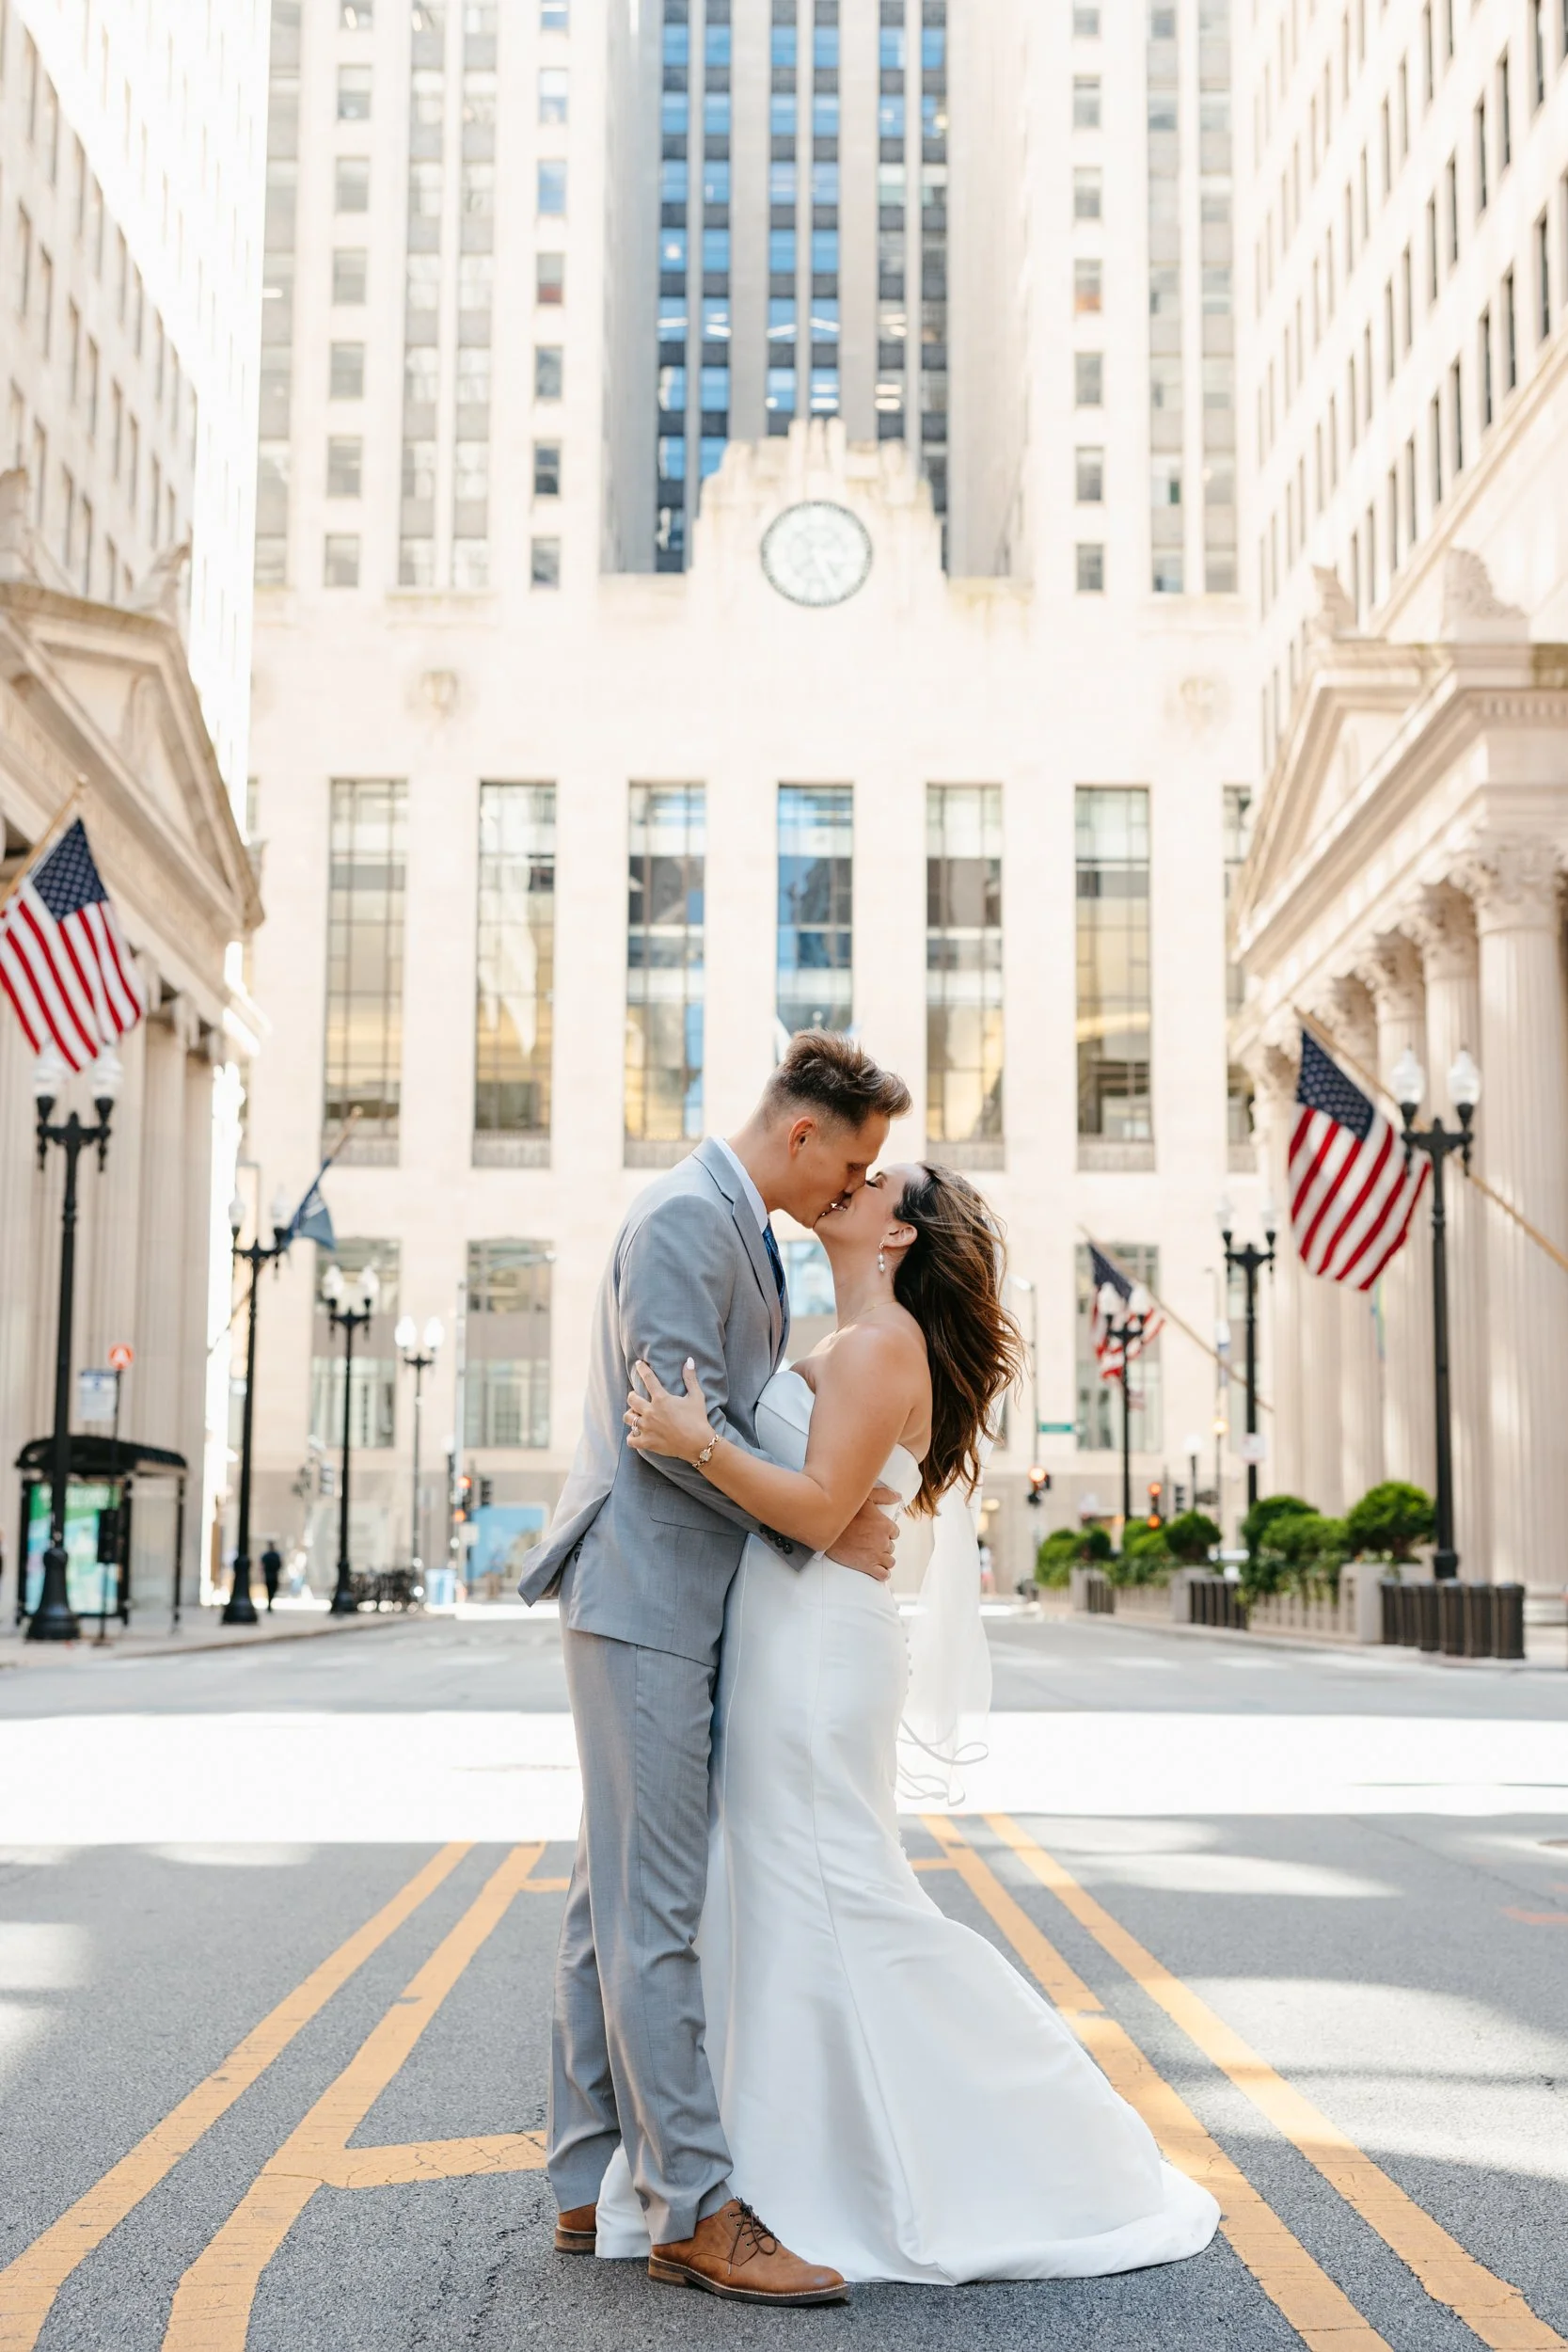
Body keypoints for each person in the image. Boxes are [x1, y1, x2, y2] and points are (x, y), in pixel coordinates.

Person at [612, 1160, 1222, 2285]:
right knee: (781, 1897)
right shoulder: (852, 1339)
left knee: (837, 1890)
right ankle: (773, 2164)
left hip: (811, 1656)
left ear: (898, 1235)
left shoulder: (879, 1344)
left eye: (881, 1179)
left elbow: (815, 1509)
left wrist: (693, 1439)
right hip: (795, 1637)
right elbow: (824, 1505)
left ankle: (1004, 2144)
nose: (857, 1177)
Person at [519, 1032, 912, 2307]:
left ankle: (586, 2175)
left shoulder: (733, 1223)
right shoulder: (689, 1219)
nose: (850, 1188)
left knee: (610, 1901)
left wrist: (808, 1509)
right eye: (848, 1164)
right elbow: (669, 1429)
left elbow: (709, 1427)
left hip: (664, 1595)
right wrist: (814, 1522)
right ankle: (692, 2208)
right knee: (652, 1908)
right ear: (800, 1133)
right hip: (646, 1594)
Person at [260, 1540, 283, 1613]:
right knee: (270, 1590)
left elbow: (280, 1565)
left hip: (272, 1575)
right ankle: (269, 1603)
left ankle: (270, 1602)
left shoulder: (274, 1555)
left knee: (272, 1590)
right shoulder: (269, 1555)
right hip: (270, 1575)